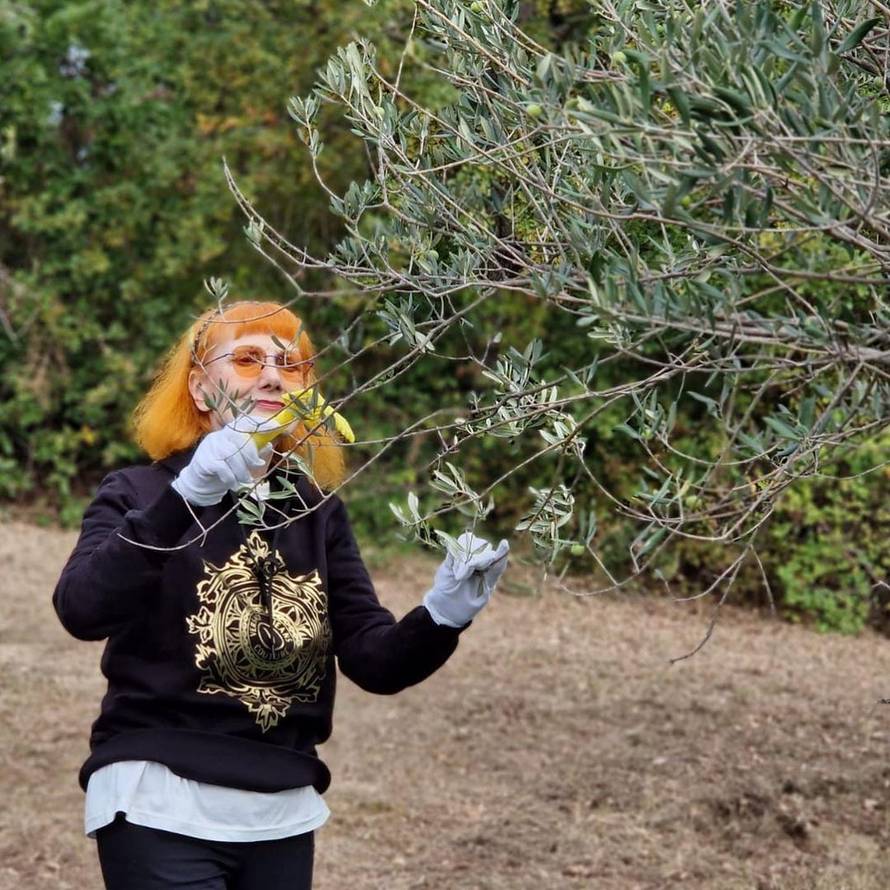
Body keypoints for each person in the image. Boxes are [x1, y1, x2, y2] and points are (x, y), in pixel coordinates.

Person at [52, 300, 509, 890]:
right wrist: (187, 496)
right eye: (247, 359)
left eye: (290, 365)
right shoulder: (139, 492)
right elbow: (82, 608)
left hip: (281, 808)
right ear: (199, 387)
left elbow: (373, 659)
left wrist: (442, 616)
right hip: (156, 796)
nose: (272, 376)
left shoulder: (315, 510)